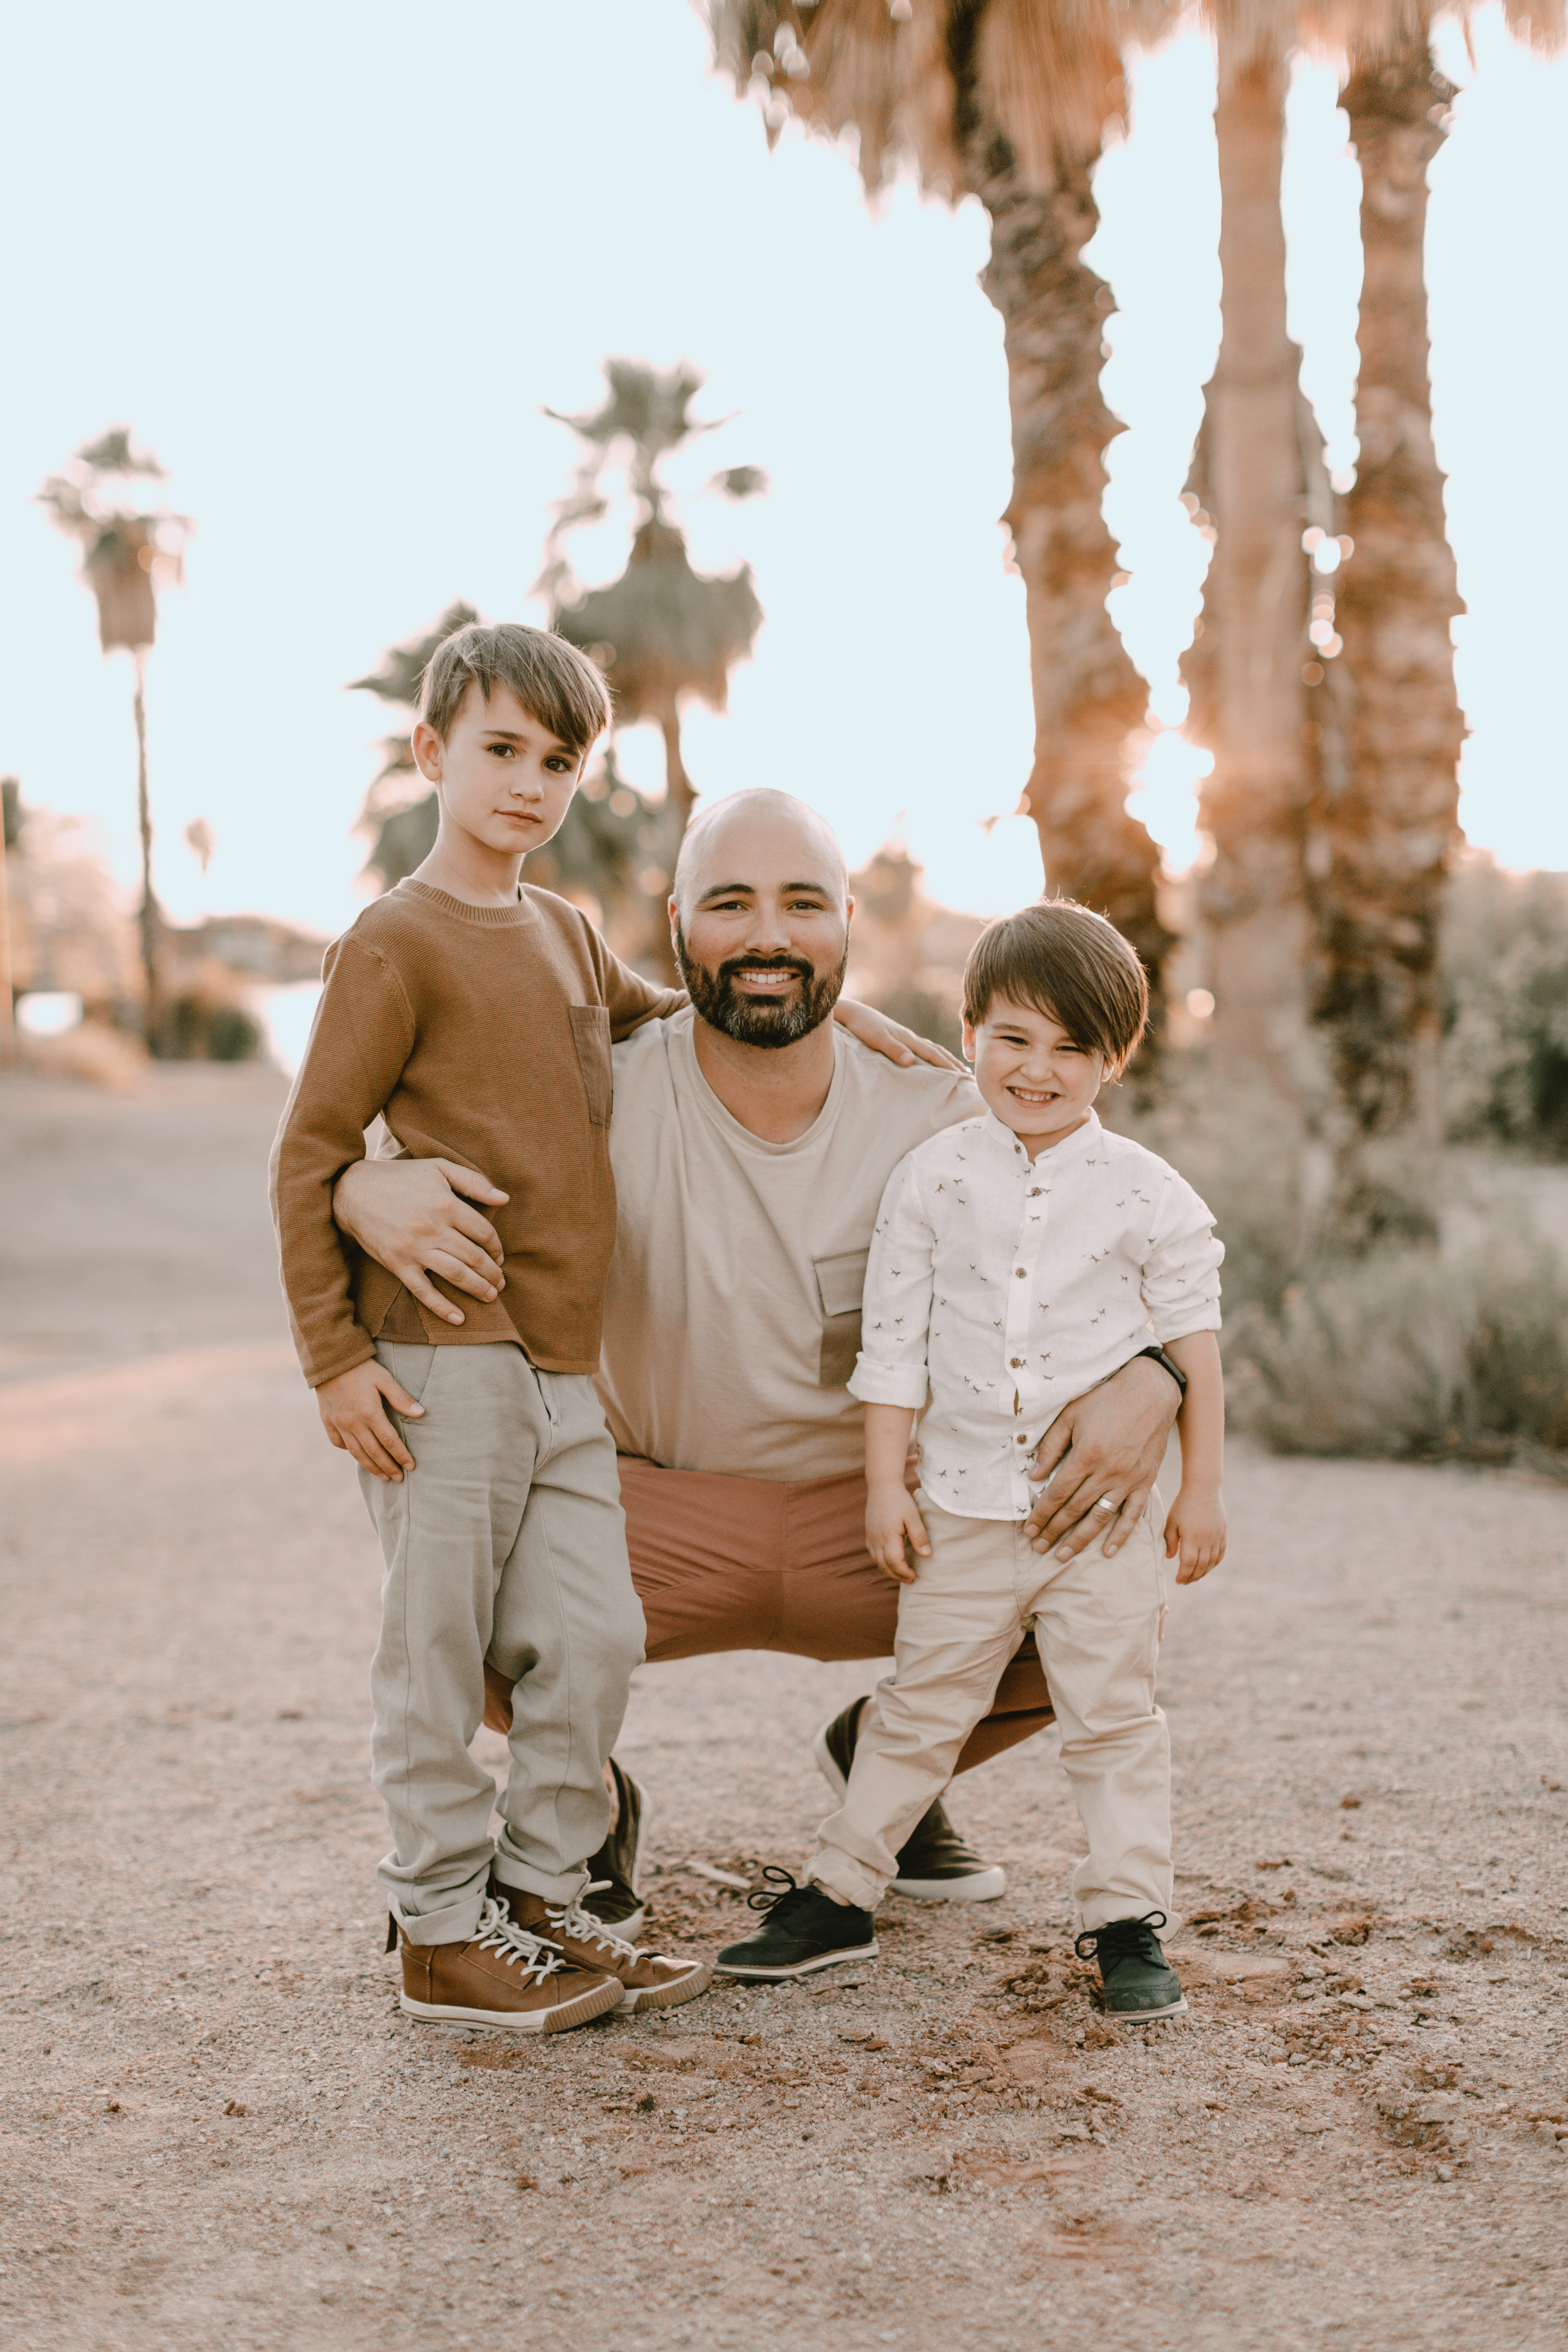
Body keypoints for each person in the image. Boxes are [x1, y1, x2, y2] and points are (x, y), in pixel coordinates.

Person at [332, 795, 1188, 1936]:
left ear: (847, 926)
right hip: (645, 1512)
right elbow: (395, 1152)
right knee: (461, 1554)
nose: (767, 935)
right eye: (731, 904)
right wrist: (357, 1185)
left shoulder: (948, 1116)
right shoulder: (597, 1091)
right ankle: (575, 1797)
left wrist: (1158, 1379)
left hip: (891, 1523)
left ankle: (893, 1752)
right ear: (678, 923)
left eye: (801, 906)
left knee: (1099, 1552)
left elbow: (1151, 1240)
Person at [269, 620, 713, 2032]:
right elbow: (307, 1157)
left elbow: (681, 1022)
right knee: (437, 1649)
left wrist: (859, 1025)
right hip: (437, 1357)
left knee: (595, 1639)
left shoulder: (571, 933)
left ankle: (540, 1899)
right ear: (433, 755)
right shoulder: (393, 945)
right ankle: (436, 1928)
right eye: (501, 751)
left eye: (558, 760)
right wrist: (337, 1364)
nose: (529, 783)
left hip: (565, 1368)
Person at [717, 899, 1226, 2021]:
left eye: (1070, 1048)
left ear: (1115, 1059)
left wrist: (1203, 1494)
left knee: (1113, 1720)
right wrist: (885, 1483)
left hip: (1100, 1528)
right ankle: (840, 1894)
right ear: (970, 1030)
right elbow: (891, 1346)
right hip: (959, 1511)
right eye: (1013, 1038)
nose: (1036, 1071)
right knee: (920, 1705)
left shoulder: (1149, 1193)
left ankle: (1127, 1920)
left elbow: (1196, 1345)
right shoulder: (935, 1177)